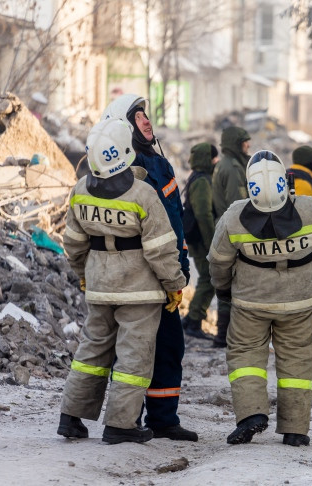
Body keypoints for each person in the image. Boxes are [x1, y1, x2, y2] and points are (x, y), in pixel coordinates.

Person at [56, 119, 186, 444]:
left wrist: (84, 277)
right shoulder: (142, 194)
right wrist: (174, 285)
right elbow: (160, 250)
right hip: (139, 291)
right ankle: (121, 425)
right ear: (124, 151)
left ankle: (70, 418)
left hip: (100, 287)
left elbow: (73, 245)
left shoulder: (80, 191)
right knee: (133, 357)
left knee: (91, 351)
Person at [208, 150, 312, 447]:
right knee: (297, 359)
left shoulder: (234, 216)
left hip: (250, 303)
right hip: (299, 302)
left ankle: (251, 415)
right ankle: (295, 429)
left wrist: (223, 289)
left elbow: (218, 261)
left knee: (245, 356)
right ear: (285, 180)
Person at [100, 94, 197, 441]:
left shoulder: (159, 163)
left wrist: (179, 269)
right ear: (122, 125)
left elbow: (175, 222)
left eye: (145, 114)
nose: (146, 120)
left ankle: (163, 418)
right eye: (137, 115)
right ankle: (127, 420)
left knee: (169, 346)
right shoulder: (121, 167)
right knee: (134, 351)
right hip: (138, 276)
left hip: (166, 271)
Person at [211, 125, 251, 347]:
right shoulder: (233, 168)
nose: (248, 145)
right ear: (236, 143)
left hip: (226, 230)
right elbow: (240, 207)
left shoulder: (229, 164)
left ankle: (223, 333)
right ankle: (224, 335)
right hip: (233, 233)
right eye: (245, 141)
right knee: (232, 283)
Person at [181, 143, 219, 340]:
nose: (216, 161)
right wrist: (212, 243)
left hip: (198, 238)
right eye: (214, 158)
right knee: (209, 279)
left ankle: (190, 320)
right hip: (202, 239)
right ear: (207, 159)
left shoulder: (198, 178)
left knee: (207, 279)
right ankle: (194, 321)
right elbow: (204, 215)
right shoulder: (202, 181)